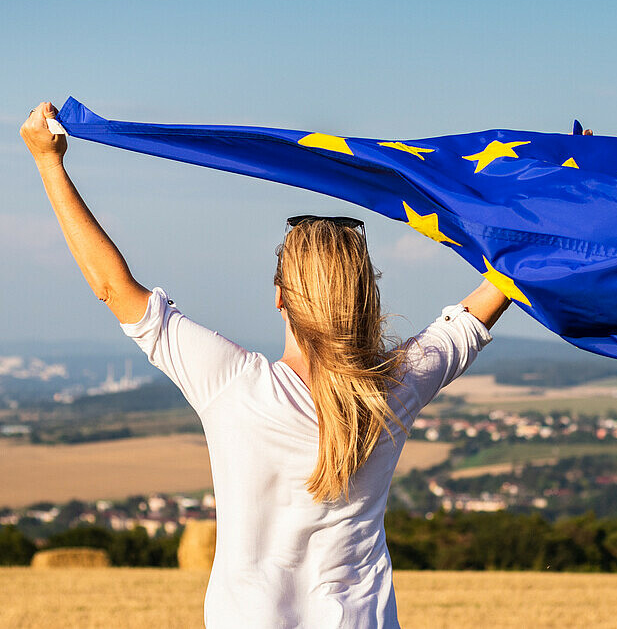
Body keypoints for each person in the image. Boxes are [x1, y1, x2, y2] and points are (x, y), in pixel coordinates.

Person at [20, 101, 511, 628]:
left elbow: (112, 287)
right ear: (366, 296)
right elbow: (489, 297)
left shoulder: (232, 384)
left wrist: (50, 164)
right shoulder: (395, 386)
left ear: (280, 296)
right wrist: (563, 206)